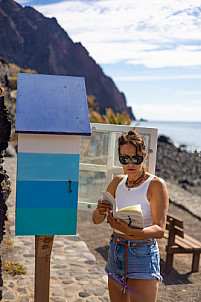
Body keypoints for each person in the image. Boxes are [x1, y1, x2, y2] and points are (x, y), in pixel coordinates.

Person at [92, 128, 169, 302]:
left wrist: (131, 231)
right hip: (116, 250)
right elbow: (96, 220)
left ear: (144, 157)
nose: (130, 163)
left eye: (136, 158)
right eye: (124, 159)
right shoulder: (117, 181)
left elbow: (159, 230)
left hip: (141, 252)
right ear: (119, 157)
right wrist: (100, 210)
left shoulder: (155, 184)